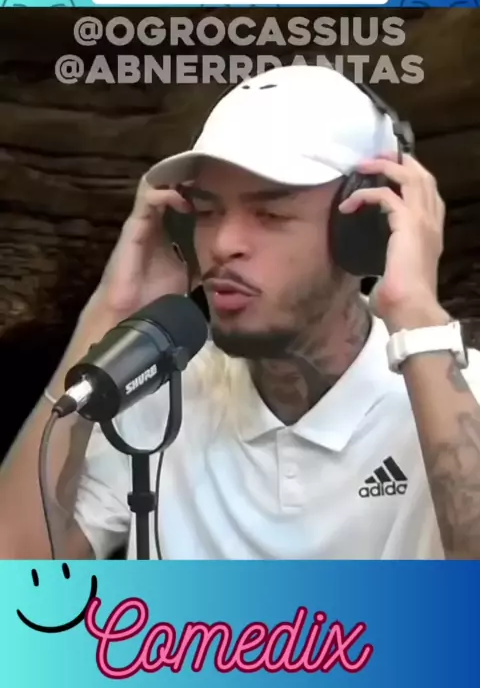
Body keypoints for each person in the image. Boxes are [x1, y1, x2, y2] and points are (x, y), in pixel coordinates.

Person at [1, 63, 480, 561]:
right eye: (206, 212)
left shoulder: (457, 398)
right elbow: (16, 581)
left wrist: (416, 313)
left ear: (366, 232)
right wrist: (110, 312)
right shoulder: (162, 393)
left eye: (270, 214)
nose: (223, 244)